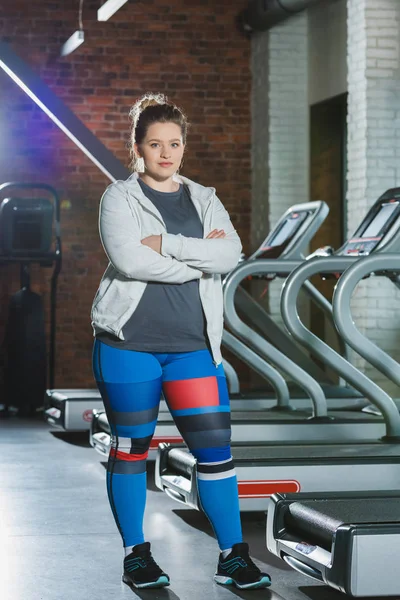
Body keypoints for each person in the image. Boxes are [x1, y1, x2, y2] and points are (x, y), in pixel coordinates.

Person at [91, 92, 271, 591]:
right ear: (138, 148)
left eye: (174, 144)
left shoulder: (204, 198)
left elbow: (229, 255)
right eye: (155, 144)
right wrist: (196, 261)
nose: (166, 154)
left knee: (216, 455)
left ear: (183, 147)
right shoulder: (119, 198)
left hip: (193, 348)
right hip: (129, 347)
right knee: (131, 450)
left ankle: (233, 556)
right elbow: (131, 262)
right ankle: (135, 555)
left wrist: (167, 245)